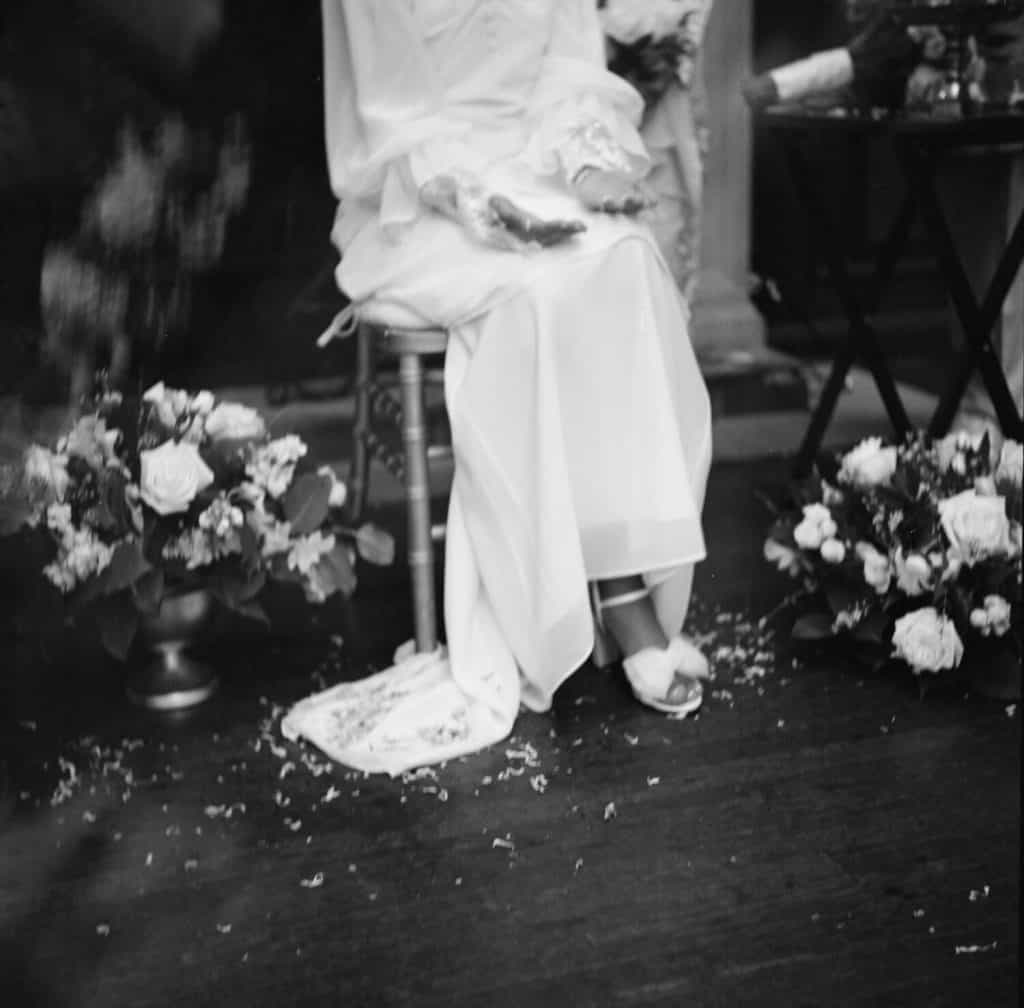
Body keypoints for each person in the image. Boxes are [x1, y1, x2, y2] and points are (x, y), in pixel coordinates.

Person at [283, 0, 713, 776]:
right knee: (536, 293)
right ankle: (593, 592)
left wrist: (587, 168)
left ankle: (617, 565)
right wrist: (481, 205)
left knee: (626, 262)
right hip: (416, 205)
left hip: (537, 173)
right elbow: (388, 124)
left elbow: (572, 76)